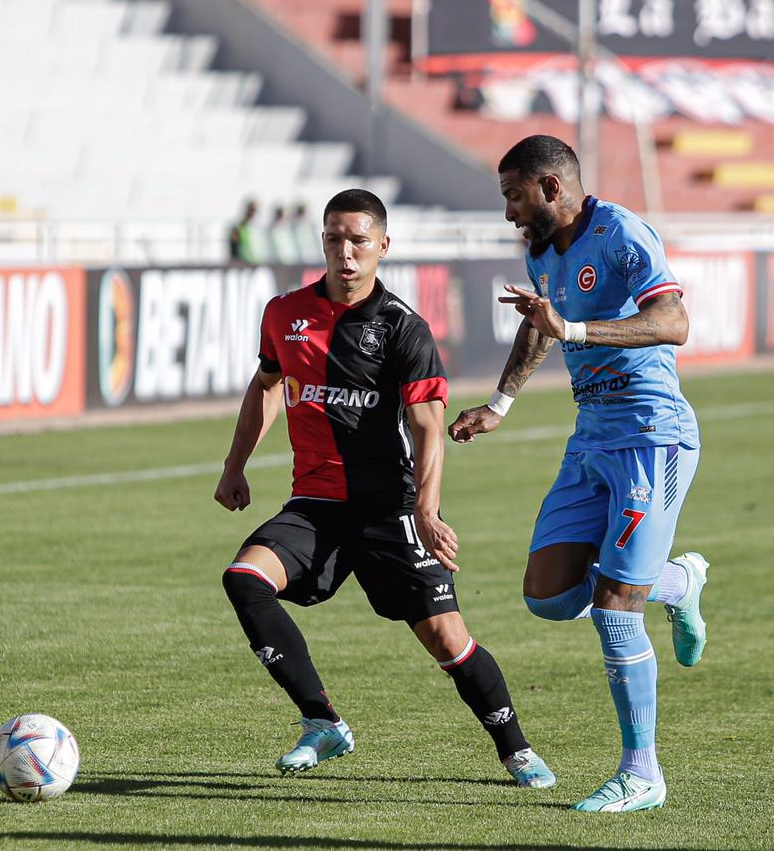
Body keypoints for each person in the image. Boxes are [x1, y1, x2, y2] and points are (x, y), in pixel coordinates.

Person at [215, 188, 555, 788]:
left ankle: (515, 747)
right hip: (316, 505)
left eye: (358, 241)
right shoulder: (283, 314)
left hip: (390, 507)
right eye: (333, 239)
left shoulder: (403, 328)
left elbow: (428, 427)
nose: (345, 253)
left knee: (448, 640)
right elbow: (268, 384)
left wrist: (426, 509)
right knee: (244, 579)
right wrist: (235, 464)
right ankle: (321, 721)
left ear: (383, 247)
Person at [449, 134, 708, 812]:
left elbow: (674, 321)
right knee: (549, 595)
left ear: (552, 188)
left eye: (514, 195)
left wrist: (579, 332)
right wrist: (500, 404)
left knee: (617, 610)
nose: (508, 211)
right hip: (590, 436)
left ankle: (641, 772)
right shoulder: (540, 248)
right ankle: (678, 582)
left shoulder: (622, 232)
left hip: (650, 434)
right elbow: (542, 326)